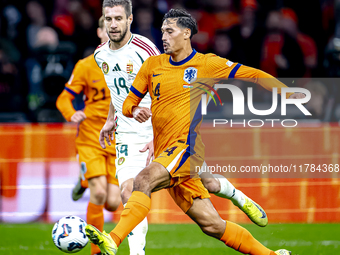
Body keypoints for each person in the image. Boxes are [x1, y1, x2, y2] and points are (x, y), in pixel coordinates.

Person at [84, 8, 307, 255]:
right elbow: (126, 102)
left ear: (186, 33)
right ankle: (271, 254)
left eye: (170, 32)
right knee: (212, 225)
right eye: (162, 32)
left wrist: (284, 92)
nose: (164, 37)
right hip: (165, 152)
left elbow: (252, 74)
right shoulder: (152, 65)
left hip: (185, 148)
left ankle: (113, 240)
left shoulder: (206, 64)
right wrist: (133, 110)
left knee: (142, 181)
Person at [56, 16, 121, 255]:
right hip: (90, 138)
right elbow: (63, 98)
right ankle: (96, 251)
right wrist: (71, 113)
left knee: (113, 202)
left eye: (118, 30)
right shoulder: (85, 65)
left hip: (116, 142)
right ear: (99, 32)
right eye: (108, 29)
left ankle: (83, 181)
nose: (112, 33)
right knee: (100, 193)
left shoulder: (128, 65)